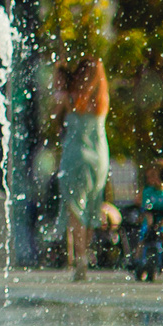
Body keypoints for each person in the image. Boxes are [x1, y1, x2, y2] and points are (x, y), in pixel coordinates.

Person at [54, 56, 108, 282]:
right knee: (90, 208)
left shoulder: (71, 99)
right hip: (99, 157)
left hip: (76, 157)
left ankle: (80, 258)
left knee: (75, 209)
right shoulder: (103, 99)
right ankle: (85, 255)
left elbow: (57, 123)